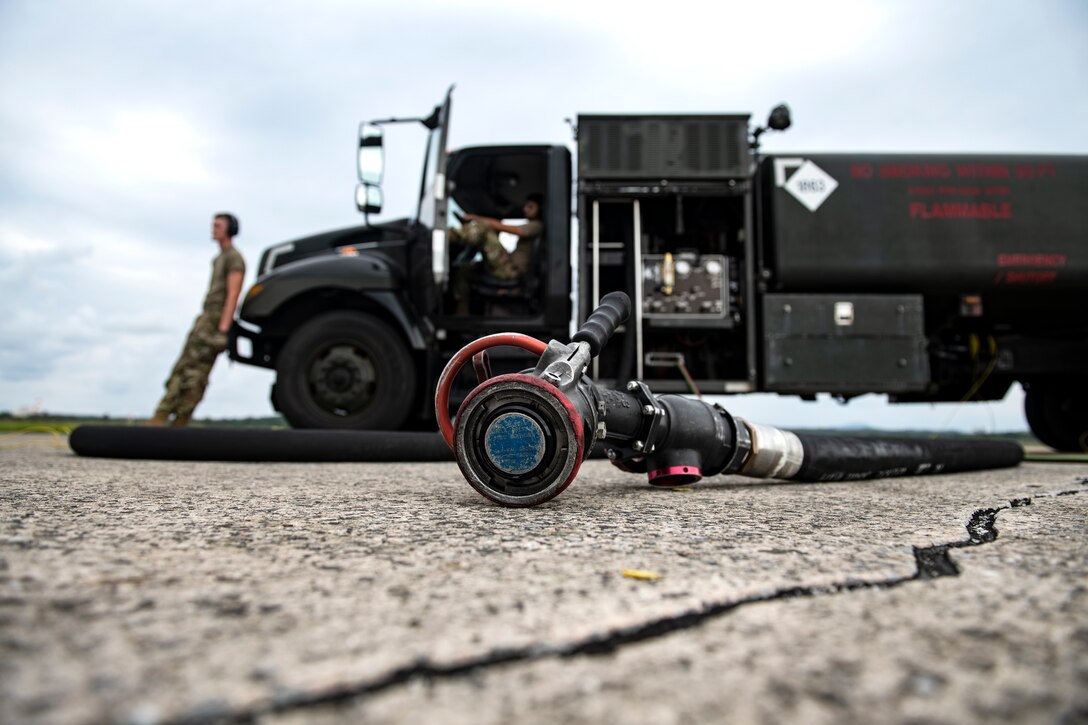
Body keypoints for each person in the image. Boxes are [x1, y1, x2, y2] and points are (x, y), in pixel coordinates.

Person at [149, 213, 246, 426]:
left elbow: (233, 294)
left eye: (218, 225)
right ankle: (165, 413)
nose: (214, 229)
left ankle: (179, 417)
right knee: (184, 367)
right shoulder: (219, 258)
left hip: (216, 319)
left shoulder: (233, 258)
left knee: (197, 372)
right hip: (207, 316)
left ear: (230, 229)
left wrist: (223, 328)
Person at [449, 193, 544, 315]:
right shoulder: (533, 225)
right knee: (465, 269)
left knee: (485, 229)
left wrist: (477, 219)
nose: (525, 209)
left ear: (539, 209)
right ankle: (462, 311)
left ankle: (450, 236)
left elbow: (510, 229)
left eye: (530, 207)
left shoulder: (536, 225)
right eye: (525, 206)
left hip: (511, 271)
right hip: (509, 268)